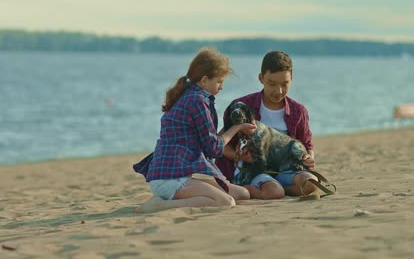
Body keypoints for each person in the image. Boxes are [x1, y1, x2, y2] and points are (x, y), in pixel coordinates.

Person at [133, 48, 257, 213]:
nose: (221, 87)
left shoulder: (189, 95)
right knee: (226, 202)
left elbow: (209, 143)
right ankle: (160, 205)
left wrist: (233, 128)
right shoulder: (197, 100)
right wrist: (237, 128)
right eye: (219, 81)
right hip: (170, 178)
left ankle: (167, 198)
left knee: (242, 193)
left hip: (177, 174)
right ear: (205, 80)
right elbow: (214, 148)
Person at [216, 50, 317, 199]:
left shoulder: (298, 111)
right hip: (253, 171)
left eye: (285, 84)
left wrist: (309, 158)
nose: (278, 91)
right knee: (274, 191)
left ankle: (276, 187)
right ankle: (249, 188)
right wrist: (239, 157)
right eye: (272, 83)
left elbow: (307, 145)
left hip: (286, 170)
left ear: (291, 79)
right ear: (261, 78)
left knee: (312, 183)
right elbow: (218, 143)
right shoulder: (243, 106)